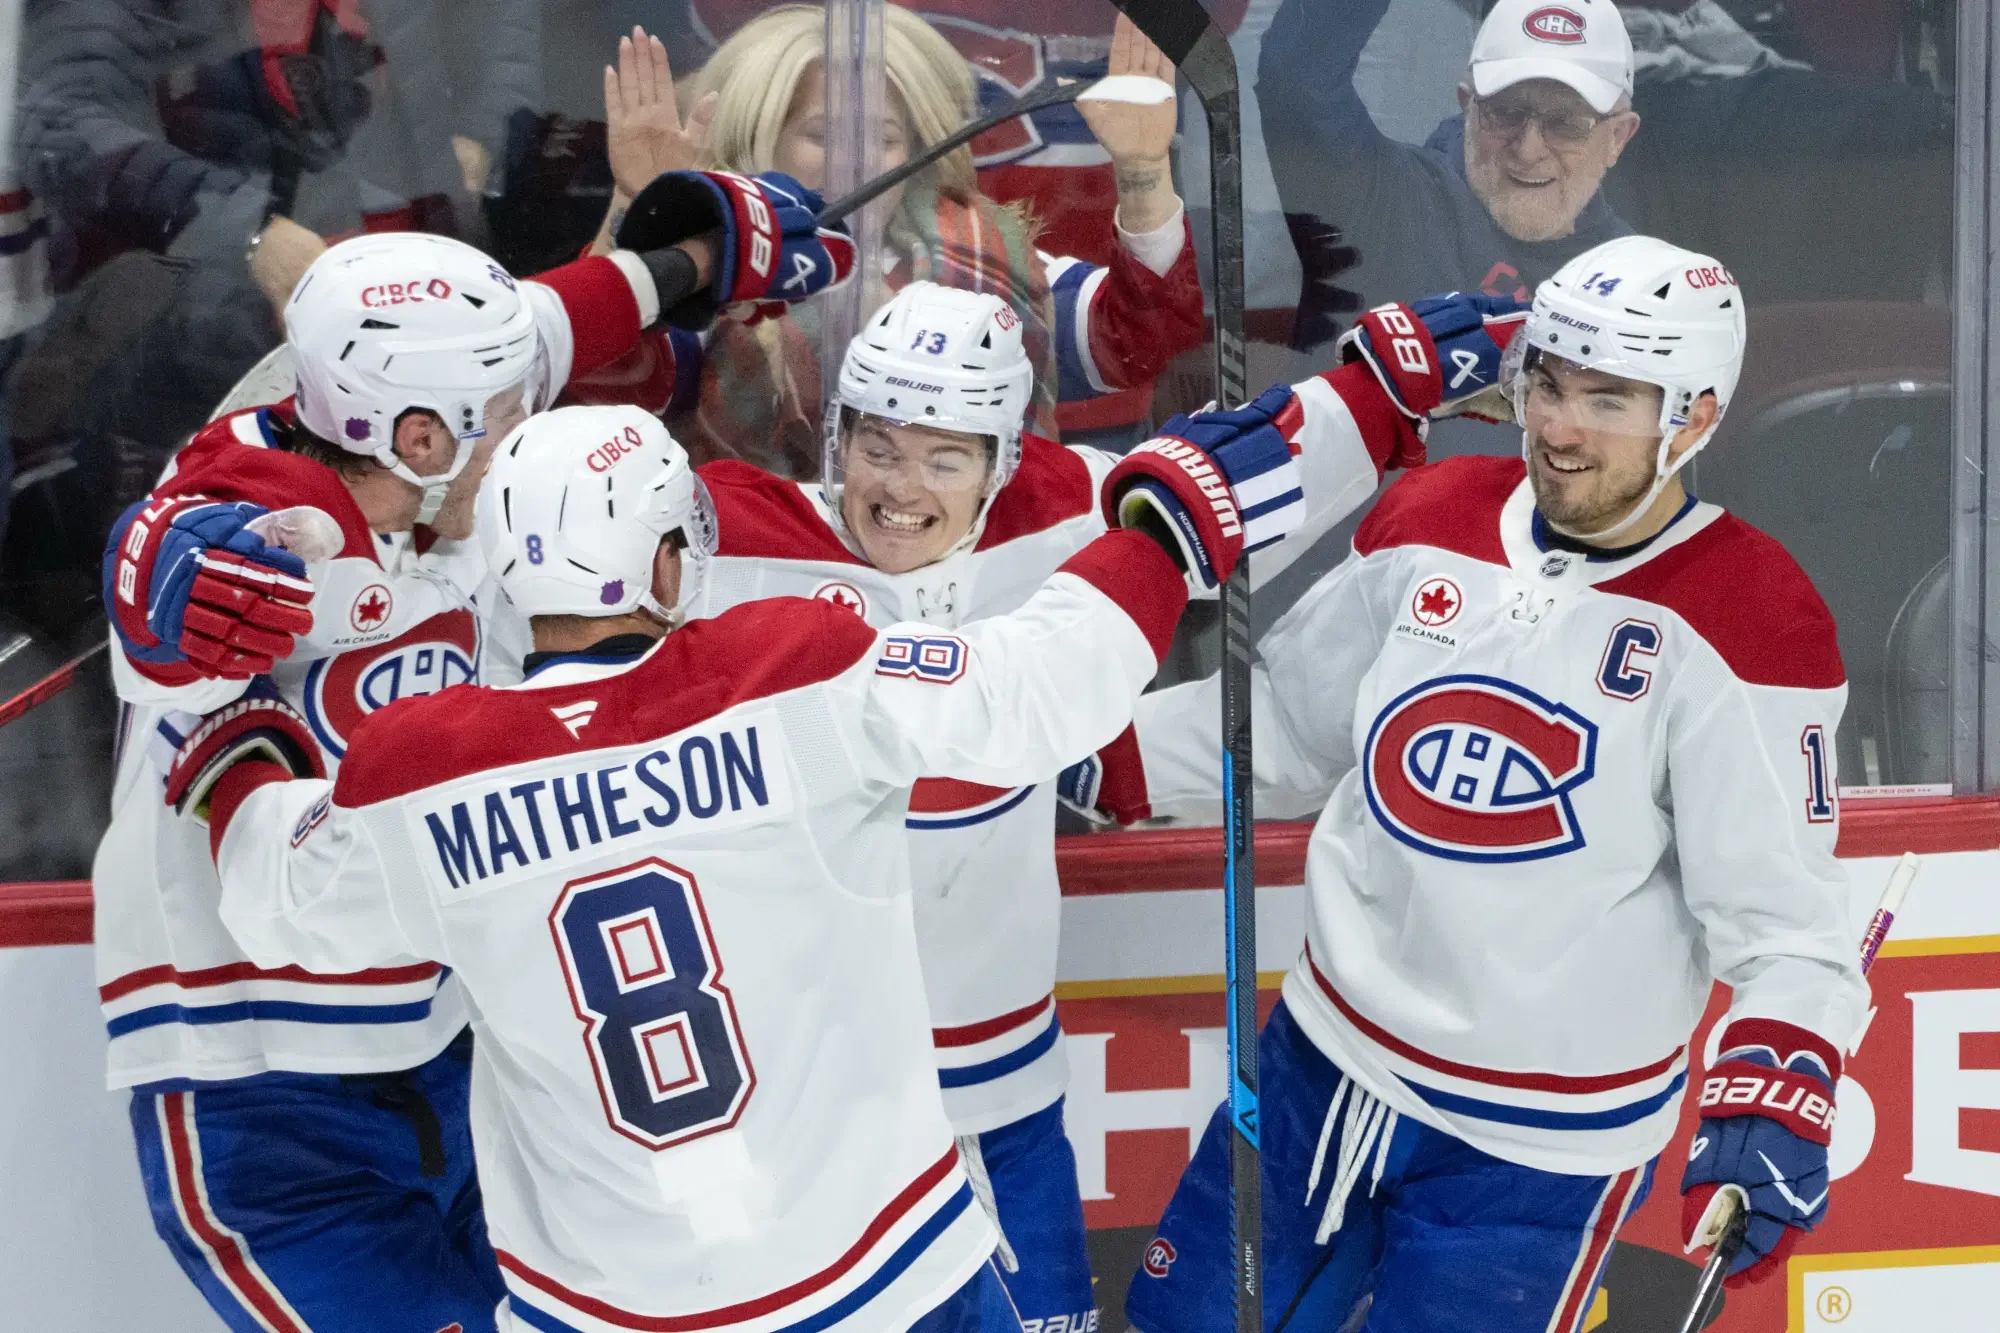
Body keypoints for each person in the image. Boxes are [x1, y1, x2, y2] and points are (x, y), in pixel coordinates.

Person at [166, 380, 1292, 1332]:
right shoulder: (790, 673)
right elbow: (1041, 687)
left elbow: (280, 895)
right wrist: (1160, 531)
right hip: (888, 1272)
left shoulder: (420, 770)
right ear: (664, 565)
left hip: (602, 1305)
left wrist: (233, 747)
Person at [673, 272, 1517, 1326]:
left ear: (1000, 462)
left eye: (943, 457)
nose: (899, 487)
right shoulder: (725, 544)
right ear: (837, 436)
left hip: (1000, 1097)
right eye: (879, 447)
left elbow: (1240, 483)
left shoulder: (1061, 509)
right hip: (804, 1113)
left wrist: (1384, 386)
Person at [1077, 237, 1866, 1332]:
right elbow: (1282, 734)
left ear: (1689, 418)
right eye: (1545, 378)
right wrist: (1082, 749)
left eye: (1607, 396)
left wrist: (1774, 1084)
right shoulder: (1429, 515)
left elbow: (1785, 929)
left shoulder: (1749, 618)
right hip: (1319, 1066)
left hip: (1535, 1155)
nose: (1556, 424)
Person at [87, 216, 834, 1332]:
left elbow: (557, 316)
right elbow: (170, 577)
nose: (527, 432)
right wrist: (167, 584)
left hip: (466, 1056)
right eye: (502, 418)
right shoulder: (263, 527)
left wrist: (697, 254)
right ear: (416, 437)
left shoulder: (433, 429)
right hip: (264, 1090)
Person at [566, 10, 1204, 468]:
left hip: (972, 601)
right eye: (824, 133)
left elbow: (1136, 342)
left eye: (885, 138)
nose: (858, 162)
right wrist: (634, 214)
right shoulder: (709, 271)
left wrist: (1142, 168)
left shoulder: (988, 256)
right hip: (761, 592)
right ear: (765, 137)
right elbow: (602, 382)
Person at [1259, 0, 1640, 350]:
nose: (1528, 150)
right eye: (1505, 113)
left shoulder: (1639, 280)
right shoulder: (1385, 205)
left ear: (1617, 138)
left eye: (1566, 123)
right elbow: (1298, 82)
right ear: (1467, 107)